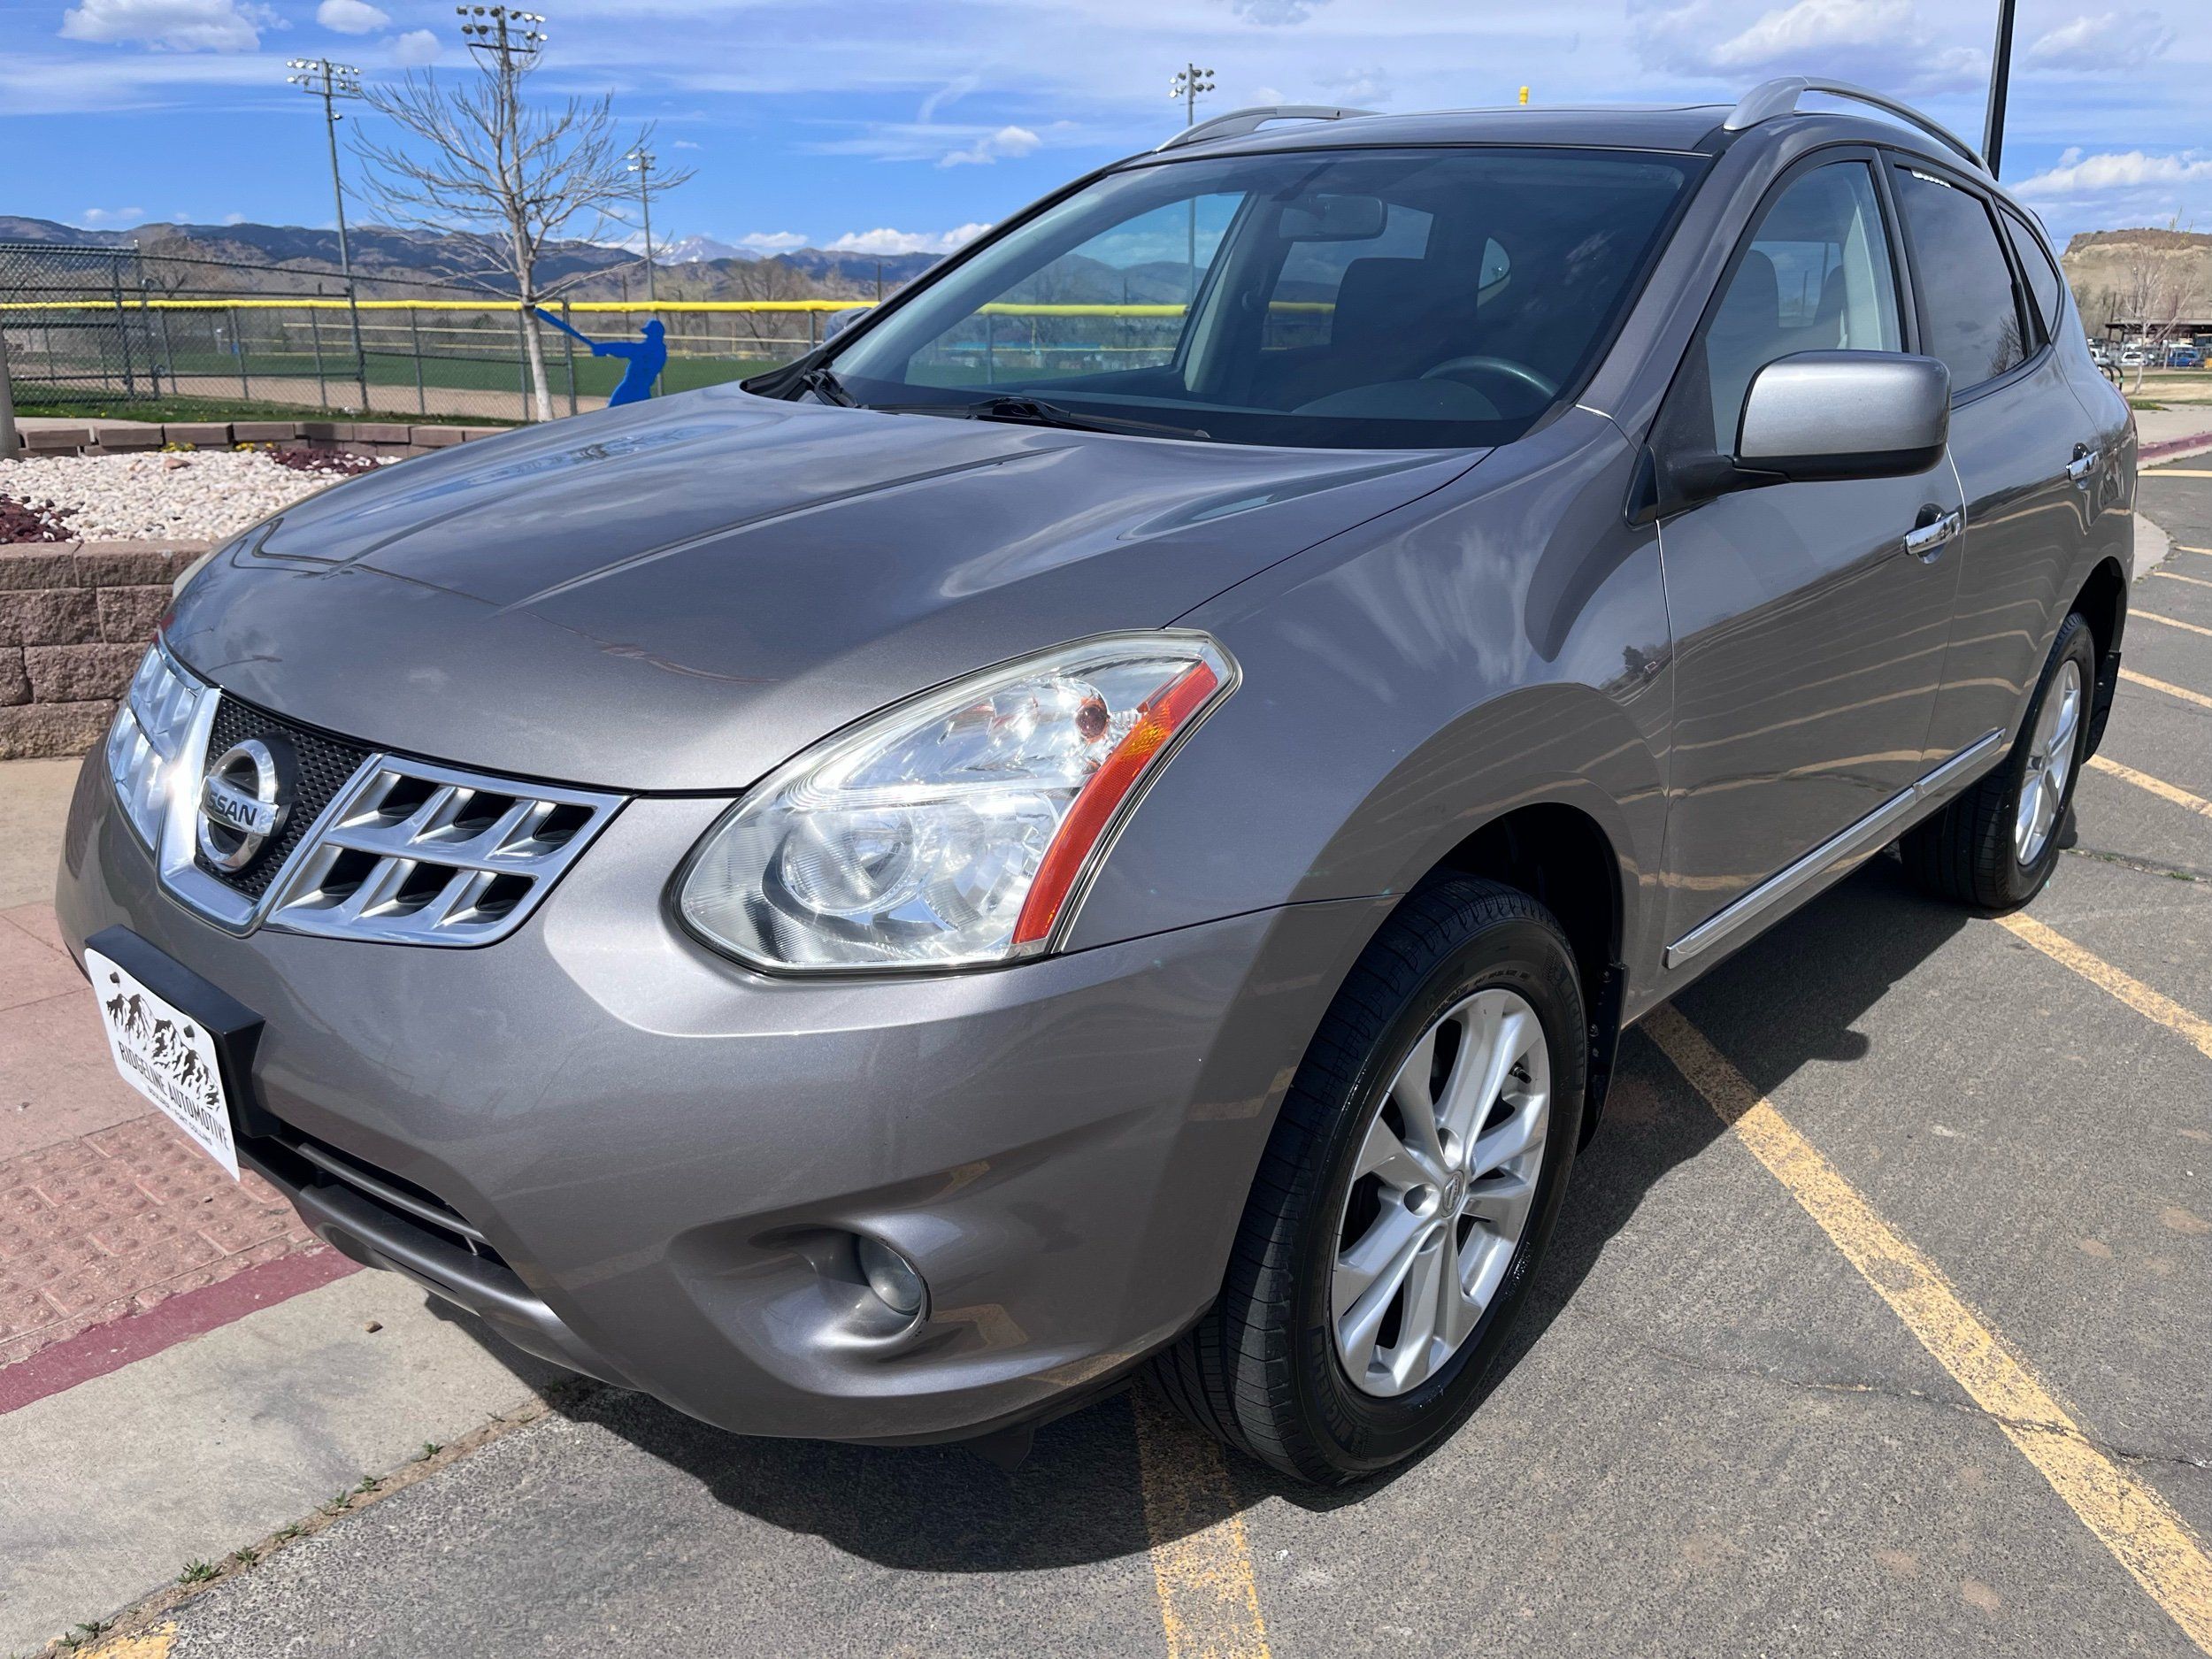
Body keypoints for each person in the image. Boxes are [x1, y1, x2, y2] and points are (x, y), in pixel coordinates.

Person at [534, 311, 667, 407]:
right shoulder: (658, 349)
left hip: (633, 388)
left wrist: (604, 348)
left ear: (656, 335)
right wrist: (605, 348)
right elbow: (629, 349)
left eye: (650, 334)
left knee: (613, 415)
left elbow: (630, 349)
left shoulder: (654, 350)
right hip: (640, 388)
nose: (647, 336)